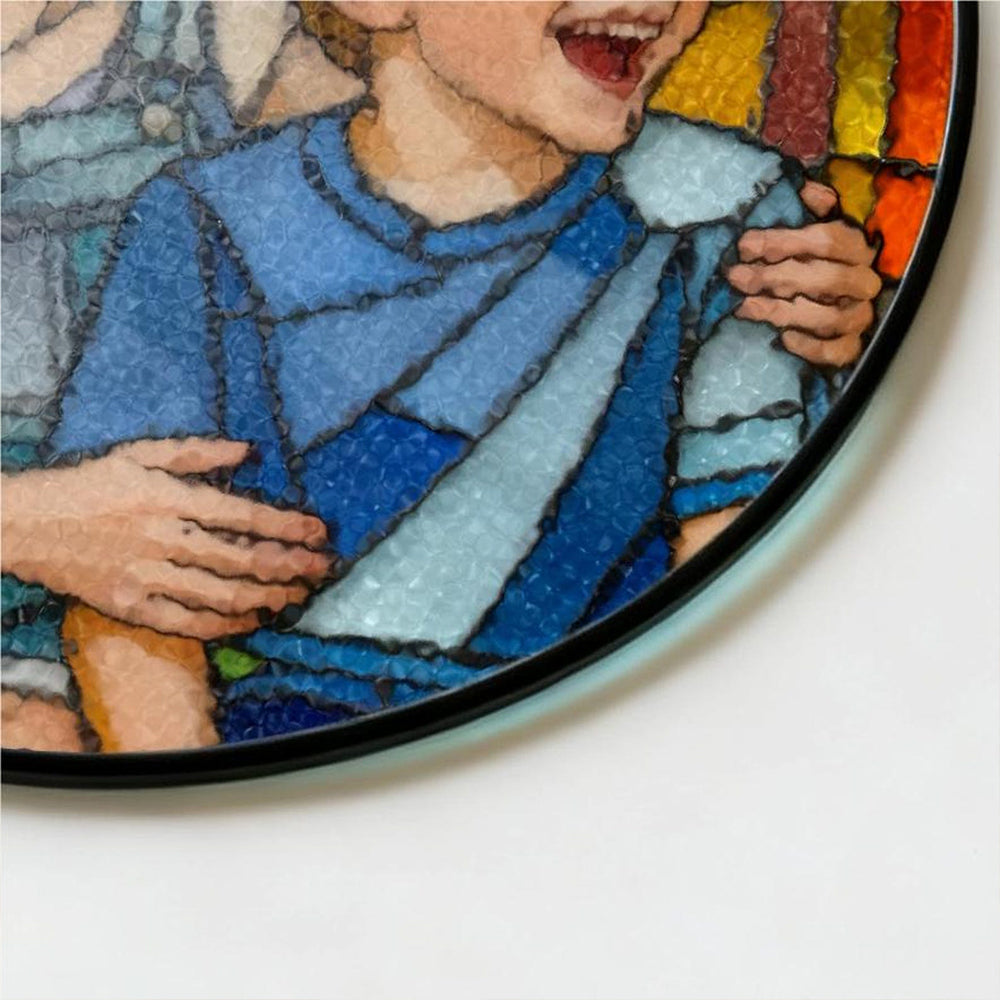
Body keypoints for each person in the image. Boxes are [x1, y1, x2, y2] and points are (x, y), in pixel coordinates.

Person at [1, 1, 880, 751]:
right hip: (264, 752)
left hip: (598, 735)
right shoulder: (208, 218)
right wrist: (197, 824)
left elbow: (742, 572)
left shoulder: (728, 214)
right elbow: (138, 597)